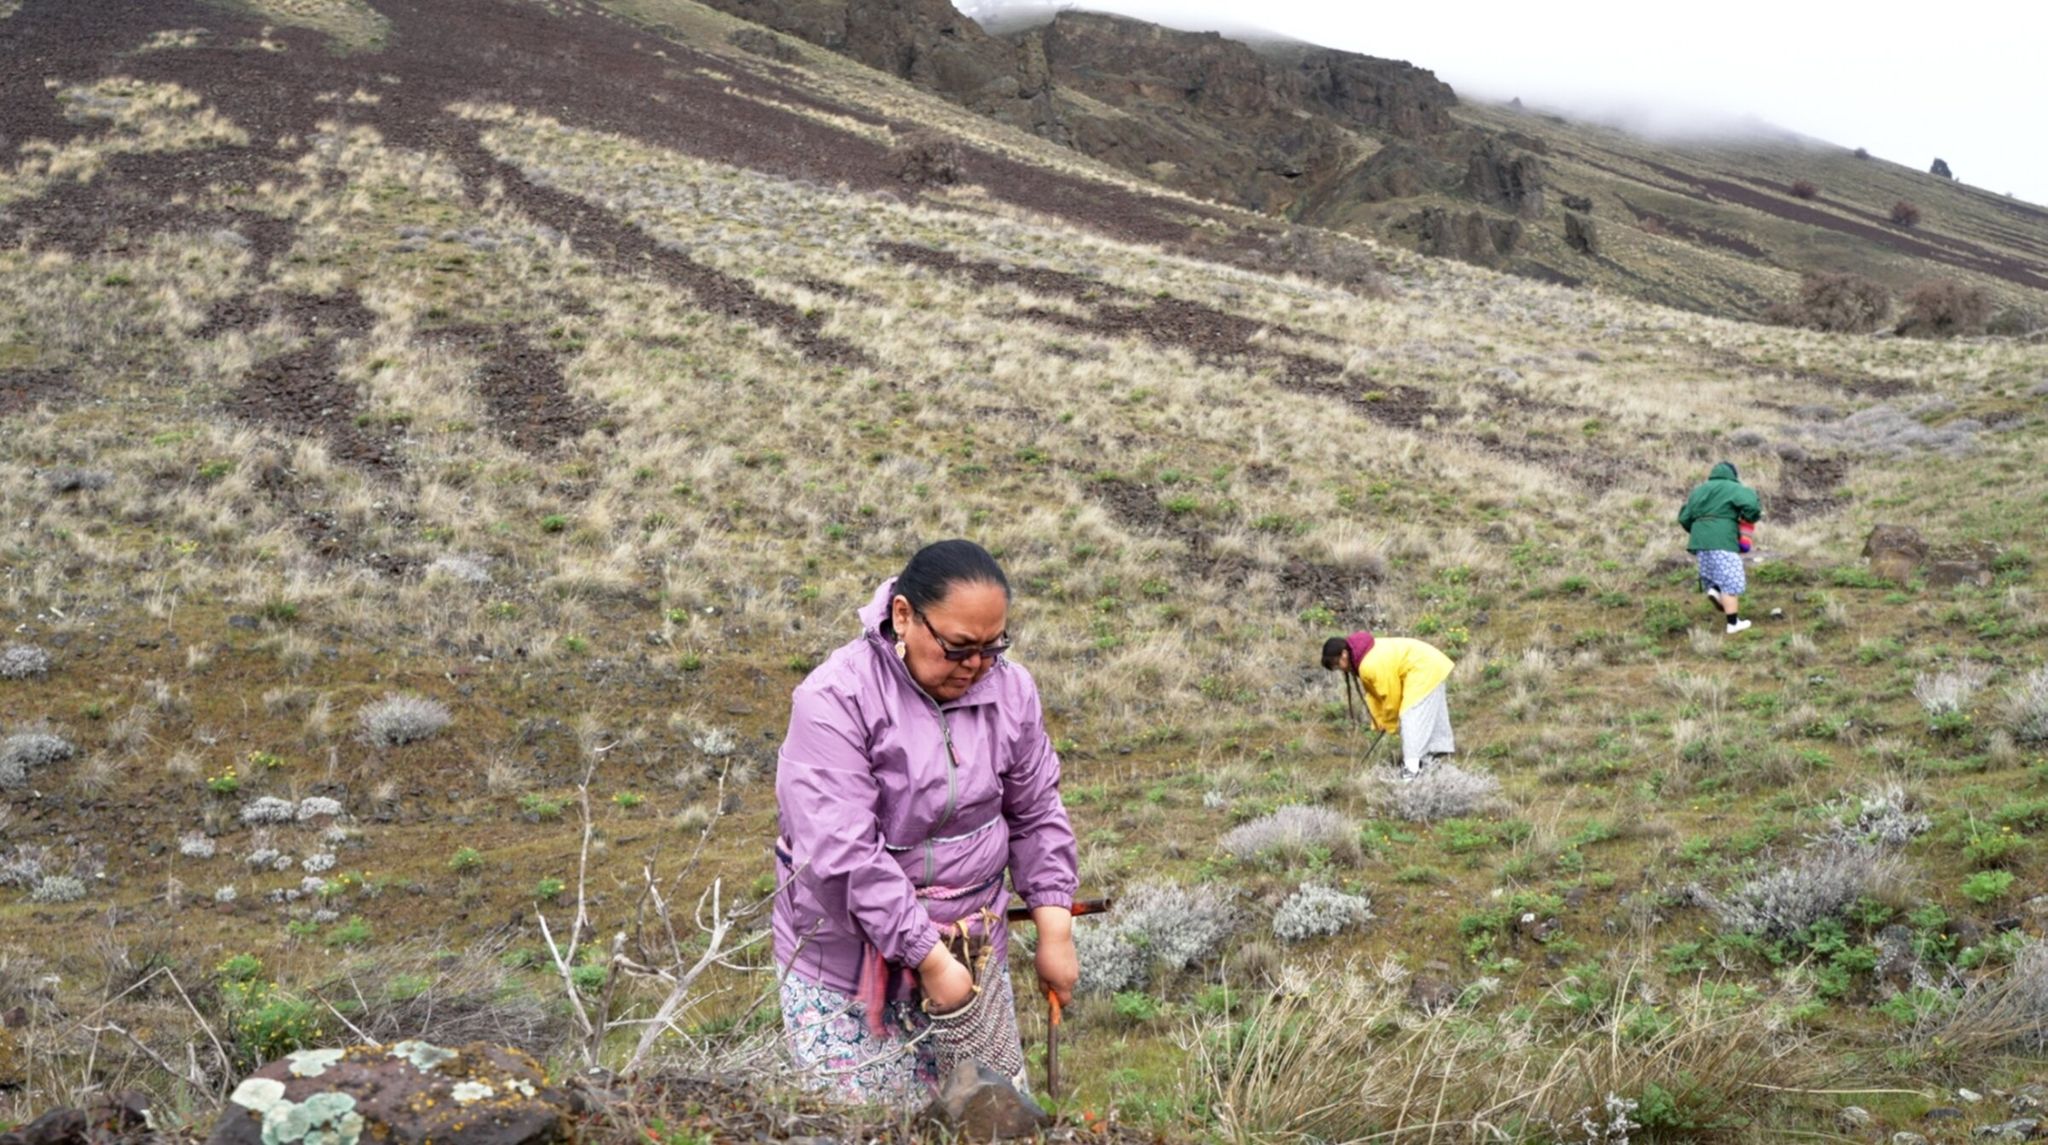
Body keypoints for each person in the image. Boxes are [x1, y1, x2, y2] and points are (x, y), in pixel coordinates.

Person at [772, 539, 1079, 1105]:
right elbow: (843, 856)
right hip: (849, 971)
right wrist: (929, 958)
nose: (977, 666)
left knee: (990, 1122)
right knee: (871, 1129)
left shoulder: (1010, 690)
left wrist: (1054, 930)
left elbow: (1037, 811)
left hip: (971, 958)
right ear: (904, 616)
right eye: (959, 647)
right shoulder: (835, 699)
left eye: (993, 646)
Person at [1320, 630, 1456, 780]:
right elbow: (1375, 694)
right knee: (1426, 714)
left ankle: (1411, 771)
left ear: (1344, 654)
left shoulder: (1368, 664)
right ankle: (1431, 762)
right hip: (1429, 664)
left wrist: (1389, 722)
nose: (1341, 669)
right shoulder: (1364, 655)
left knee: (1411, 717)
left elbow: (1391, 696)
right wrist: (1381, 720)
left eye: (1337, 664)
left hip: (1422, 668)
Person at [1677, 461, 1763, 635]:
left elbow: (1684, 517)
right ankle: (1733, 624)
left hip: (1700, 543)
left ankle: (1715, 590)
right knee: (1731, 581)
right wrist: (1747, 517)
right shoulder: (1733, 487)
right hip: (1722, 540)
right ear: (1733, 474)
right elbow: (1752, 506)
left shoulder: (1699, 491)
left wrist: (1699, 531)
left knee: (1718, 578)